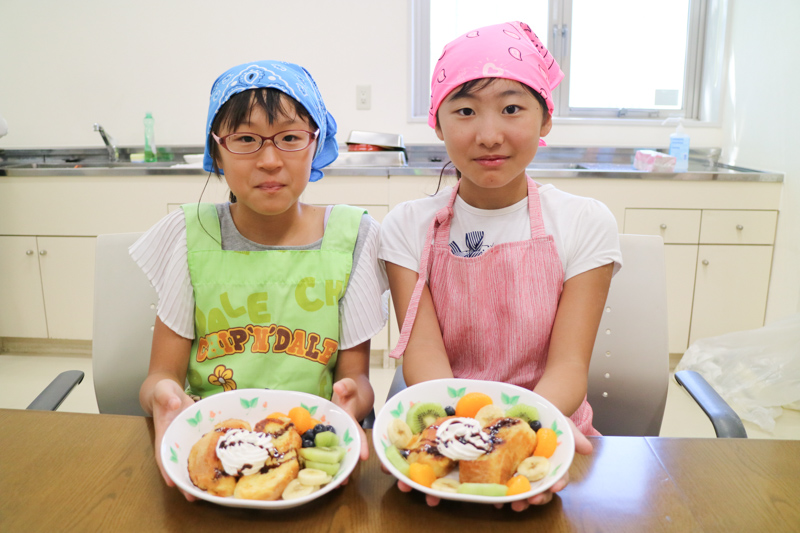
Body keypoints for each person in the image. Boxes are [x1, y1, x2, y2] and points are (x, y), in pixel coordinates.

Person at [379, 21, 622, 510]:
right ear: (438, 123)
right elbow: (425, 363)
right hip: (442, 426)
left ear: (545, 118)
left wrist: (517, 442)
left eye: (512, 108)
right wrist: (461, 444)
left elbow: (569, 366)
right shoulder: (406, 226)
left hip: (547, 428)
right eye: (465, 111)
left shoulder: (583, 221)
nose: (489, 135)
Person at [131, 60, 388, 497]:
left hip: (307, 455)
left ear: (316, 143)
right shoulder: (188, 234)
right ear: (217, 150)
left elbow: (357, 378)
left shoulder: (352, 238)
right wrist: (164, 399)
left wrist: (352, 400)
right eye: (246, 139)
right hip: (209, 445)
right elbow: (159, 376)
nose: (270, 161)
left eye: (289, 138)